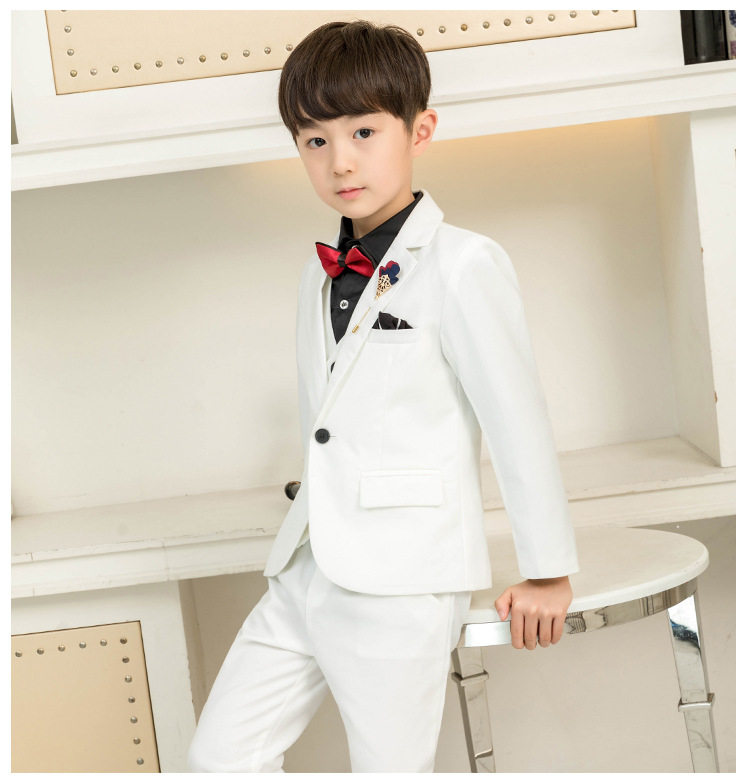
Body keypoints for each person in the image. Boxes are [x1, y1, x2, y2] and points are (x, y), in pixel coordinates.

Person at [186, 19, 579, 773]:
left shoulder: (463, 264)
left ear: (420, 130)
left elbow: (517, 422)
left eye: (364, 132)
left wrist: (548, 568)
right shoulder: (317, 272)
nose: (340, 160)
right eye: (315, 140)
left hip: (401, 576)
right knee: (218, 761)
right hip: (304, 566)